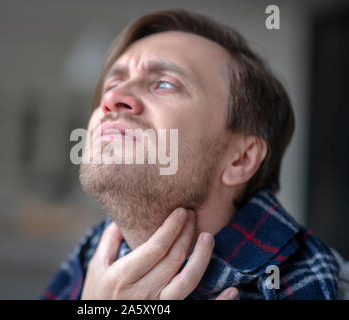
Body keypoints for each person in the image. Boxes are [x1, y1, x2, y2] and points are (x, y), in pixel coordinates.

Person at [42, 8, 339, 300]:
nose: (111, 98)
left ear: (240, 159)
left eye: (165, 84)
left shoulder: (327, 285)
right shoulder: (83, 264)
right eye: (113, 83)